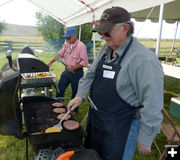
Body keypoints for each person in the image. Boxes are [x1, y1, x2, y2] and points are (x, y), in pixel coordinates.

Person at [67, 7, 164, 160]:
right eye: (101, 32)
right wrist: (80, 96)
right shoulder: (106, 49)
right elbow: (90, 75)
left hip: (121, 127)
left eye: (107, 31)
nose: (103, 36)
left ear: (125, 28)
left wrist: (146, 136)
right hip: (97, 120)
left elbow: (152, 102)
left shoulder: (144, 60)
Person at [48, 27, 88, 112]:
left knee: (75, 92)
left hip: (77, 72)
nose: (66, 40)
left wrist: (73, 67)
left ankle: (73, 110)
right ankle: (59, 105)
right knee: (60, 87)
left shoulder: (81, 46)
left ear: (74, 36)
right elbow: (60, 54)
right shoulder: (66, 44)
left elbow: (84, 62)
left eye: (68, 38)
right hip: (67, 70)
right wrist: (50, 63)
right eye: (65, 38)